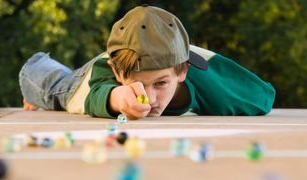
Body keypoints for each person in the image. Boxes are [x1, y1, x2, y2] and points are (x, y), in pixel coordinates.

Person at [19, 5, 276, 120]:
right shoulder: (107, 74)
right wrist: (120, 99)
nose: (150, 98)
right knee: (49, 86)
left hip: (166, 60)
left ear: (183, 71)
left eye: (161, 83)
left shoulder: (200, 71)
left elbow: (262, 97)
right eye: (138, 86)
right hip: (81, 83)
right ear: (118, 74)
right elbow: (100, 93)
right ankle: (47, 65)